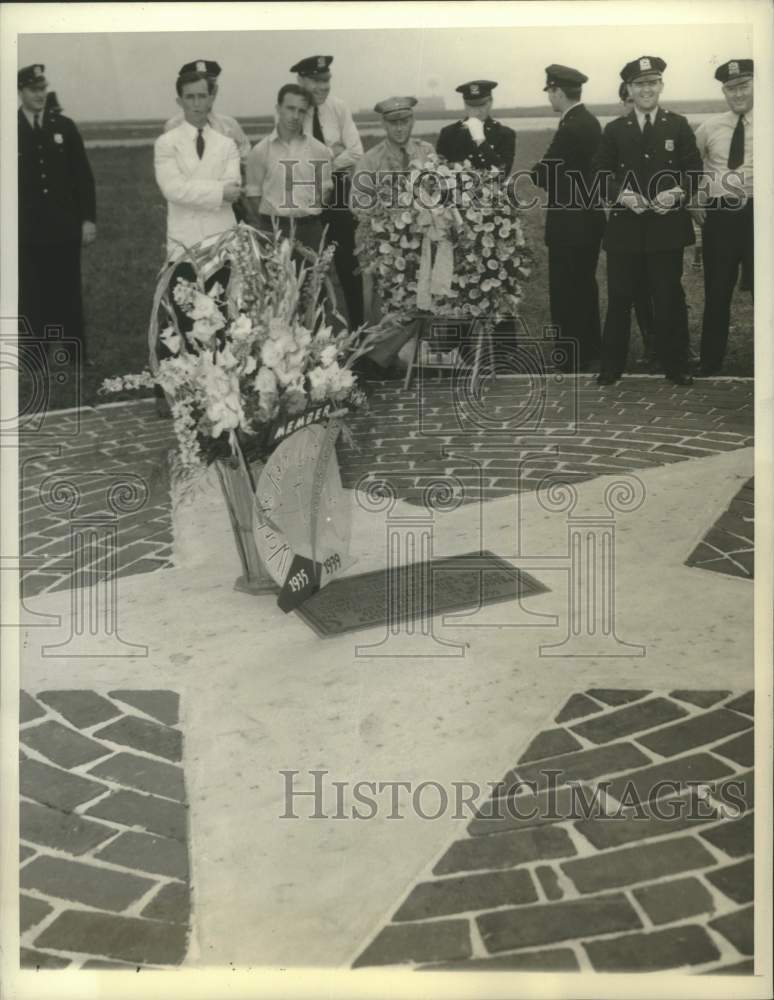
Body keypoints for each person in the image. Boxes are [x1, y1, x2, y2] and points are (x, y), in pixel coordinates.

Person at [594, 56, 702, 386]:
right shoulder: (614, 129)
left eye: (652, 83)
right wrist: (624, 196)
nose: (647, 90)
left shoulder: (678, 125)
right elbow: (599, 175)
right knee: (620, 299)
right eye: (640, 85)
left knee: (668, 296)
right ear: (629, 89)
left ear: (661, 86)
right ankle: (612, 367)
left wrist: (677, 193)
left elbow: (694, 170)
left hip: (666, 228)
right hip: (626, 229)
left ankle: (676, 364)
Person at [153, 67, 242, 414]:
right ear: (179, 100)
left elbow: (234, 189)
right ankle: (182, 396)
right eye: (189, 97)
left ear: (212, 97)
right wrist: (217, 190)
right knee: (183, 321)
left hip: (222, 244)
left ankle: (222, 395)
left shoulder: (227, 142)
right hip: (185, 246)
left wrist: (211, 191)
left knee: (223, 320)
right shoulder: (166, 143)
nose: (196, 104)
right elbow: (172, 189)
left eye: (202, 96)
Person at [17, 64, 96, 369]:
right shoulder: (9, 127)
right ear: (21, 91)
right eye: (34, 89)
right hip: (26, 230)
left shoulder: (63, 126)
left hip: (64, 227)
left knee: (67, 290)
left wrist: (88, 220)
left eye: (43, 88)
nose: (40, 95)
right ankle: (34, 357)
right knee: (32, 292)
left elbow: (82, 177)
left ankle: (76, 355)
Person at [350, 97, 435, 378]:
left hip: (422, 243)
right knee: (383, 305)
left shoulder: (426, 152)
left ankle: (380, 357)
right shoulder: (371, 159)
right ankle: (379, 357)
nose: (400, 128)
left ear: (412, 121)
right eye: (393, 122)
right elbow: (358, 205)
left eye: (405, 121)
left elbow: (439, 194)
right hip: (384, 246)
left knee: (422, 300)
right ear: (383, 123)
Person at [530, 65, 605, 372]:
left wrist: (540, 172)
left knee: (565, 289)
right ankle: (589, 346)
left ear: (558, 91)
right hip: (588, 218)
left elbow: (544, 172)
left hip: (568, 221)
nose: (550, 97)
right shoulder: (590, 121)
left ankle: (570, 354)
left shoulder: (571, 126)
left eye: (550, 91)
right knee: (584, 284)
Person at [292, 55, 364, 329]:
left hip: (338, 193)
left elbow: (356, 151)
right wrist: (331, 153)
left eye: (327, 80)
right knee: (309, 268)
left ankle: (358, 332)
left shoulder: (338, 108)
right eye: (316, 81)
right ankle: (313, 335)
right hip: (304, 194)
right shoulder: (293, 112)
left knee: (349, 266)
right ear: (300, 81)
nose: (323, 87)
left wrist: (324, 162)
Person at [692, 59, 754, 376]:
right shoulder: (711, 127)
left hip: (761, 216)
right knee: (717, 291)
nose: (738, 93)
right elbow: (688, 163)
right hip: (722, 215)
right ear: (724, 92)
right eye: (732, 88)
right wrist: (693, 199)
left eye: (744, 85)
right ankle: (710, 361)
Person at [245, 83, 333, 253]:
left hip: (310, 231)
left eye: (301, 111)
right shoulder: (260, 151)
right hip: (273, 230)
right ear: (278, 108)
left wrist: (305, 213)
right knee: (276, 279)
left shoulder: (319, 150)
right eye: (290, 108)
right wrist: (274, 222)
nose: (295, 116)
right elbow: (253, 195)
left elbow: (325, 192)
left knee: (313, 279)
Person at [436, 80, 516, 175]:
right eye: (471, 105)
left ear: (490, 102)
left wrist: (481, 141)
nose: (477, 111)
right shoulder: (449, 133)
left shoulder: (505, 134)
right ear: (465, 104)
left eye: (482, 105)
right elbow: (440, 170)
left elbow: (504, 172)